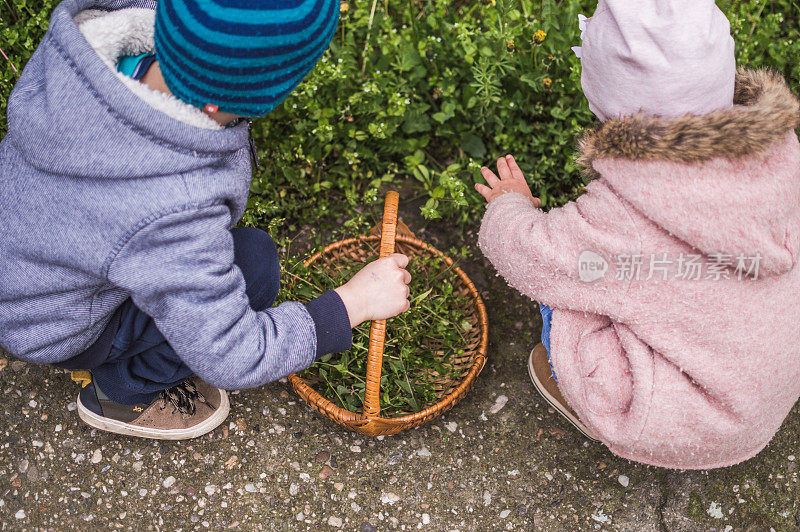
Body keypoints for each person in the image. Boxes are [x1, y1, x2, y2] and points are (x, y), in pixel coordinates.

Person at [0, 0, 412, 440]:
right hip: (48, 324)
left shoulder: (85, 38)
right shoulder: (173, 204)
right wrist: (352, 304)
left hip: (29, 261)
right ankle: (123, 391)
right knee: (254, 266)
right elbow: (233, 355)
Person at [476, 0, 800, 469]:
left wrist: (512, 206)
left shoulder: (626, 213)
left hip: (696, 423)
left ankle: (581, 393)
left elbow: (529, 255)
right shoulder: (782, 157)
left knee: (572, 282)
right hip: (771, 382)